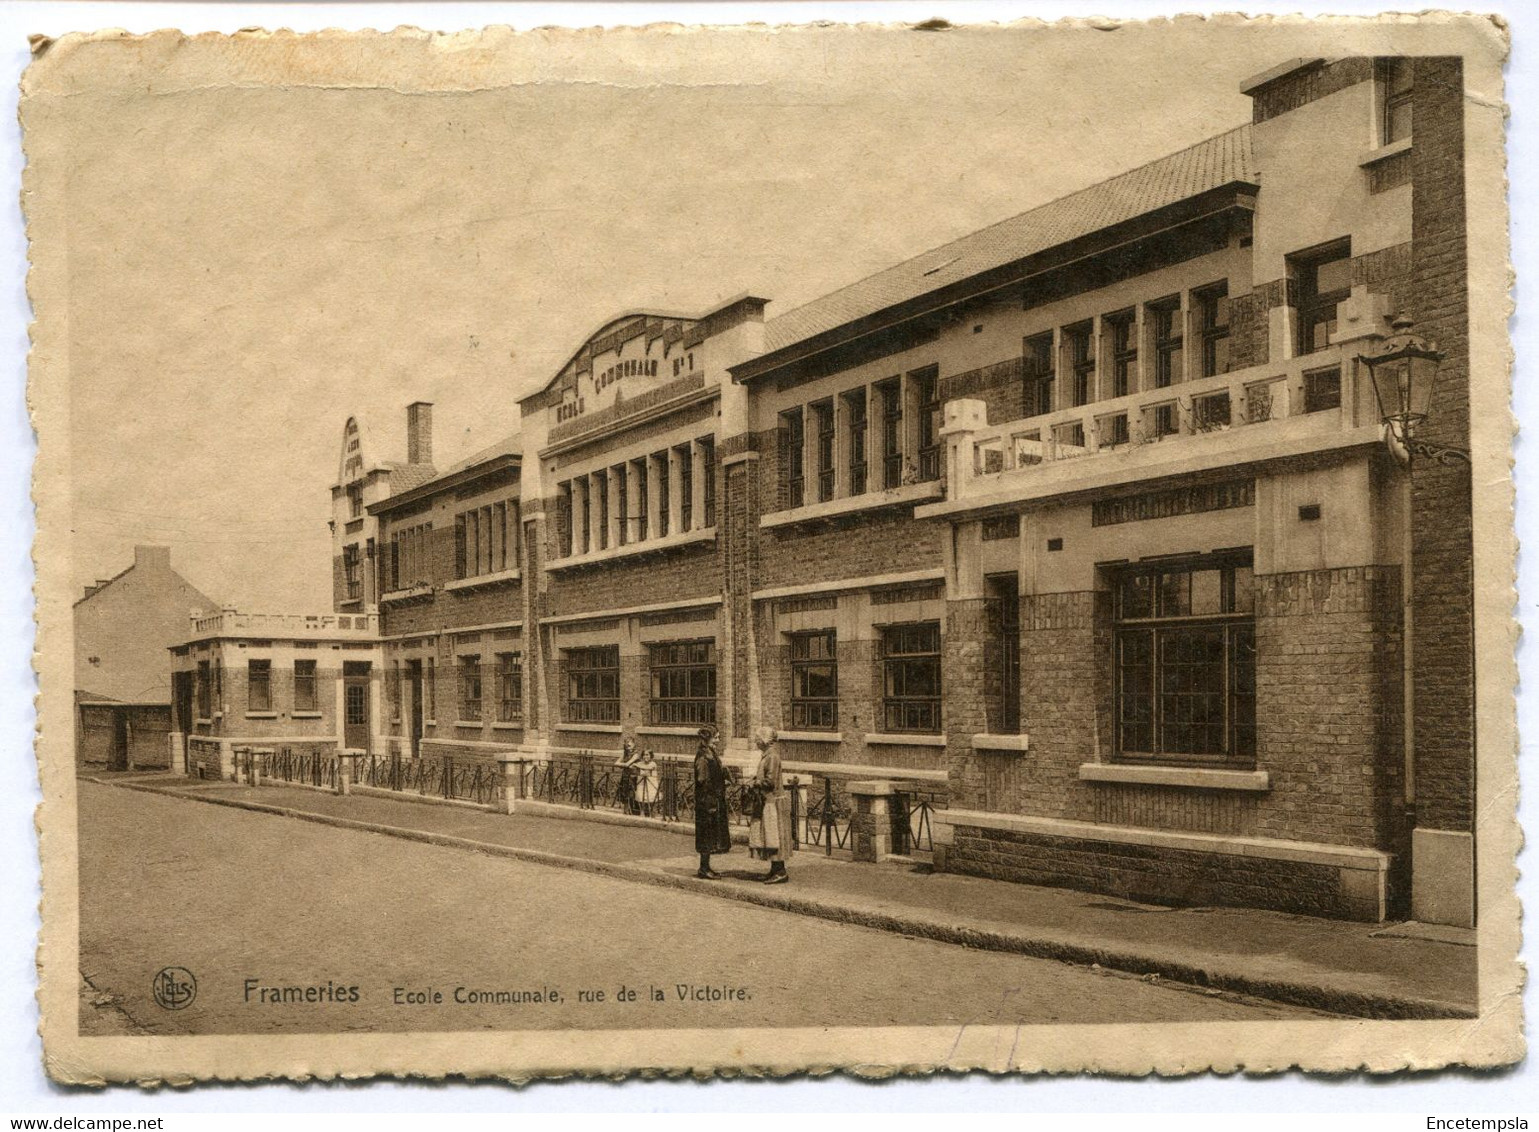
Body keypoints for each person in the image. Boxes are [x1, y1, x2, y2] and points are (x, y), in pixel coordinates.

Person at [747, 727, 793, 883]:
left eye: (758, 738)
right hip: (769, 801)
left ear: (765, 740)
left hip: (773, 802)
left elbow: (770, 782)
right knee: (771, 836)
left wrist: (755, 783)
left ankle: (780, 872)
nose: (756, 741)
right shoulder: (768, 755)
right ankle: (775, 870)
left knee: (775, 836)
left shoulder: (772, 756)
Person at [693, 726, 731, 878]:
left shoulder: (710, 753)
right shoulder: (703, 756)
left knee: (710, 834)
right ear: (707, 739)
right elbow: (702, 780)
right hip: (707, 802)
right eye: (716, 738)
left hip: (712, 801)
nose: (718, 741)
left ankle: (706, 866)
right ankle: (703, 868)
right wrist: (718, 786)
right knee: (706, 835)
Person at [614, 736, 640, 814]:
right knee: (624, 793)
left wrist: (624, 765)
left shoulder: (636, 755)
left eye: (629, 745)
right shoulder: (624, 754)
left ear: (634, 744)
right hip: (625, 776)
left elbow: (627, 764)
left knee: (632, 793)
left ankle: (634, 811)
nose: (628, 748)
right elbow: (616, 763)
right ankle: (625, 811)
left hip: (633, 777)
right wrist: (625, 765)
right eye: (626, 746)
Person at [634, 748, 660, 818]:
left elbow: (648, 768)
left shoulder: (653, 764)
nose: (646, 757)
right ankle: (642, 813)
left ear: (651, 756)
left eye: (647, 755)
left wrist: (637, 765)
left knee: (651, 799)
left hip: (651, 784)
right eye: (644, 755)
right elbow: (633, 768)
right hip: (642, 783)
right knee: (641, 799)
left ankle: (653, 814)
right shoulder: (640, 763)